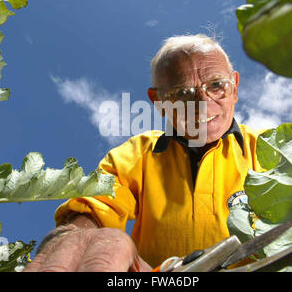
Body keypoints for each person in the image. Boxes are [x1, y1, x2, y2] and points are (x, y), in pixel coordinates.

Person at [24, 34, 262, 272]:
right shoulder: (137, 154)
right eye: (182, 93)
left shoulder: (269, 149)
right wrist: (79, 236)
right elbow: (98, 203)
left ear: (235, 87)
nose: (202, 103)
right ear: (158, 101)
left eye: (216, 85)